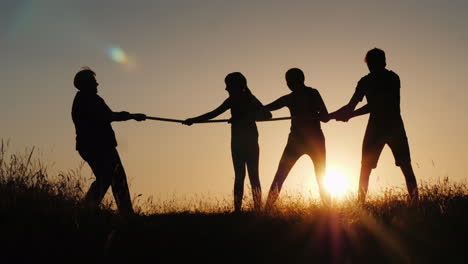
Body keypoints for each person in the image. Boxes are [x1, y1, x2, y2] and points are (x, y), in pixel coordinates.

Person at [331, 48, 418, 203]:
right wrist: (331, 115)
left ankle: (415, 202)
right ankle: (360, 205)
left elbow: (375, 105)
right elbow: (351, 105)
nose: (372, 66)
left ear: (383, 62)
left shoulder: (392, 78)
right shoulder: (364, 81)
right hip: (380, 127)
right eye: (370, 63)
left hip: (392, 126)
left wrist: (349, 115)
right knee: (366, 167)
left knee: (404, 165)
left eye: (374, 63)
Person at [183, 72, 272, 212]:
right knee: (241, 176)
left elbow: (267, 115)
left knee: (252, 175)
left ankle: (256, 210)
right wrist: (193, 120)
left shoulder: (250, 99)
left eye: (228, 85)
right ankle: (238, 210)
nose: (226, 89)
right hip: (237, 142)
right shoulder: (232, 100)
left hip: (249, 141)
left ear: (236, 85)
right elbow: (213, 114)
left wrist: (244, 118)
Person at [71, 67, 146, 216]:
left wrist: (130, 116)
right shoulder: (88, 100)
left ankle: (88, 209)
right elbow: (107, 116)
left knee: (106, 177)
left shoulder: (84, 99)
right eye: (94, 82)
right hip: (99, 146)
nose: (97, 84)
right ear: (86, 84)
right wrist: (131, 116)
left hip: (93, 146)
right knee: (115, 178)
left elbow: (106, 115)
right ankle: (124, 212)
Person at [263, 68, 331, 208]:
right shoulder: (298, 96)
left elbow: (325, 116)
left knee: (319, 175)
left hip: (304, 141)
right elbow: (269, 107)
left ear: (291, 82)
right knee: (282, 175)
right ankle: (267, 209)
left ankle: (328, 209)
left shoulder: (306, 94)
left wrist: (314, 114)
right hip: (302, 140)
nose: (289, 85)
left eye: (289, 81)